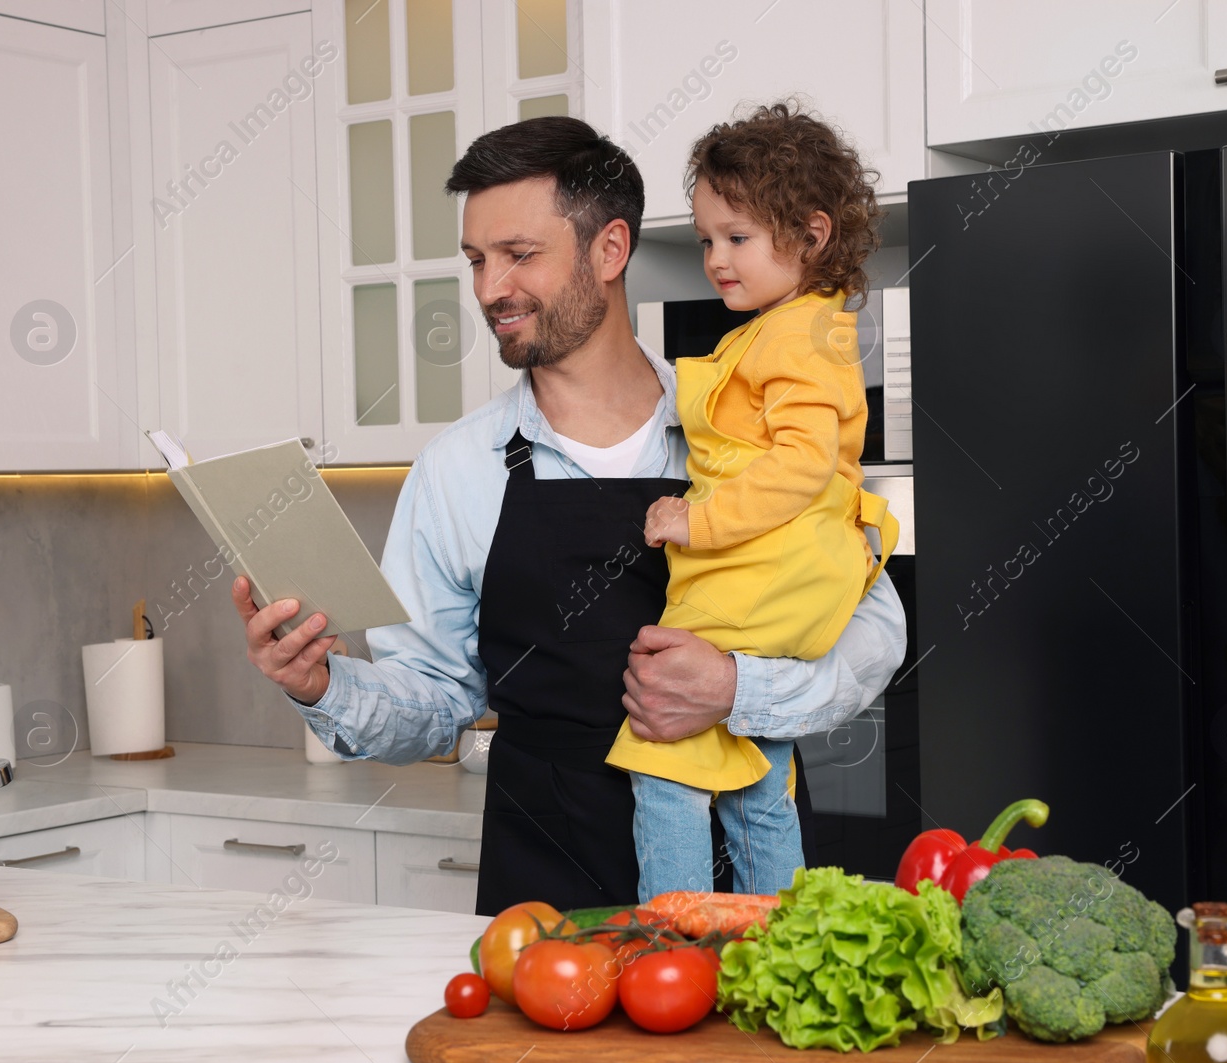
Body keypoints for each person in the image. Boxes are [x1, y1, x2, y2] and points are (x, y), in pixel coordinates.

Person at [230, 115, 907, 916]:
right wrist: (326, 687)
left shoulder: (740, 428)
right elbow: (437, 701)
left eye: (520, 255)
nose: (490, 290)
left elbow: (874, 629)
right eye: (478, 261)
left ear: (610, 249)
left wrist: (736, 688)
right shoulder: (457, 471)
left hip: (740, 900)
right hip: (544, 897)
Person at [608, 103, 899, 902]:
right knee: (756, 777)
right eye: (706, 239)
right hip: (788, 577)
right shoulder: (792, 327)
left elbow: (802, 466)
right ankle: (775, 937)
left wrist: (692, 519)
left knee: (664, 759)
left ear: (812, 233)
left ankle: (669, 940)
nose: (715, 259)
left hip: (764, 577)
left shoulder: (796, 338)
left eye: (737, 237)